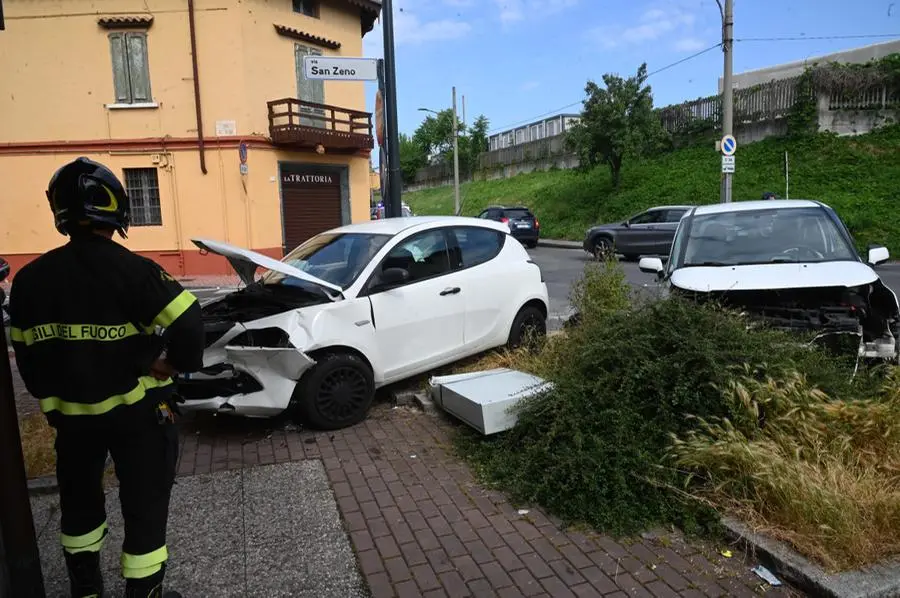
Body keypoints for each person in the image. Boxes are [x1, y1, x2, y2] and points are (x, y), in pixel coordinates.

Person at [9, 157, 205, 598]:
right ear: (116, 210)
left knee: (78, 505)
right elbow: (190, 323)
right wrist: (168, 363)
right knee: (144, 505)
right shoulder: (132, 270)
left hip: (72, 420)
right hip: (138, 418)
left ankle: (87, 590)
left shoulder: (29, 281)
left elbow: (26, 356)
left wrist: (58, 392)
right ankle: (145, 593)